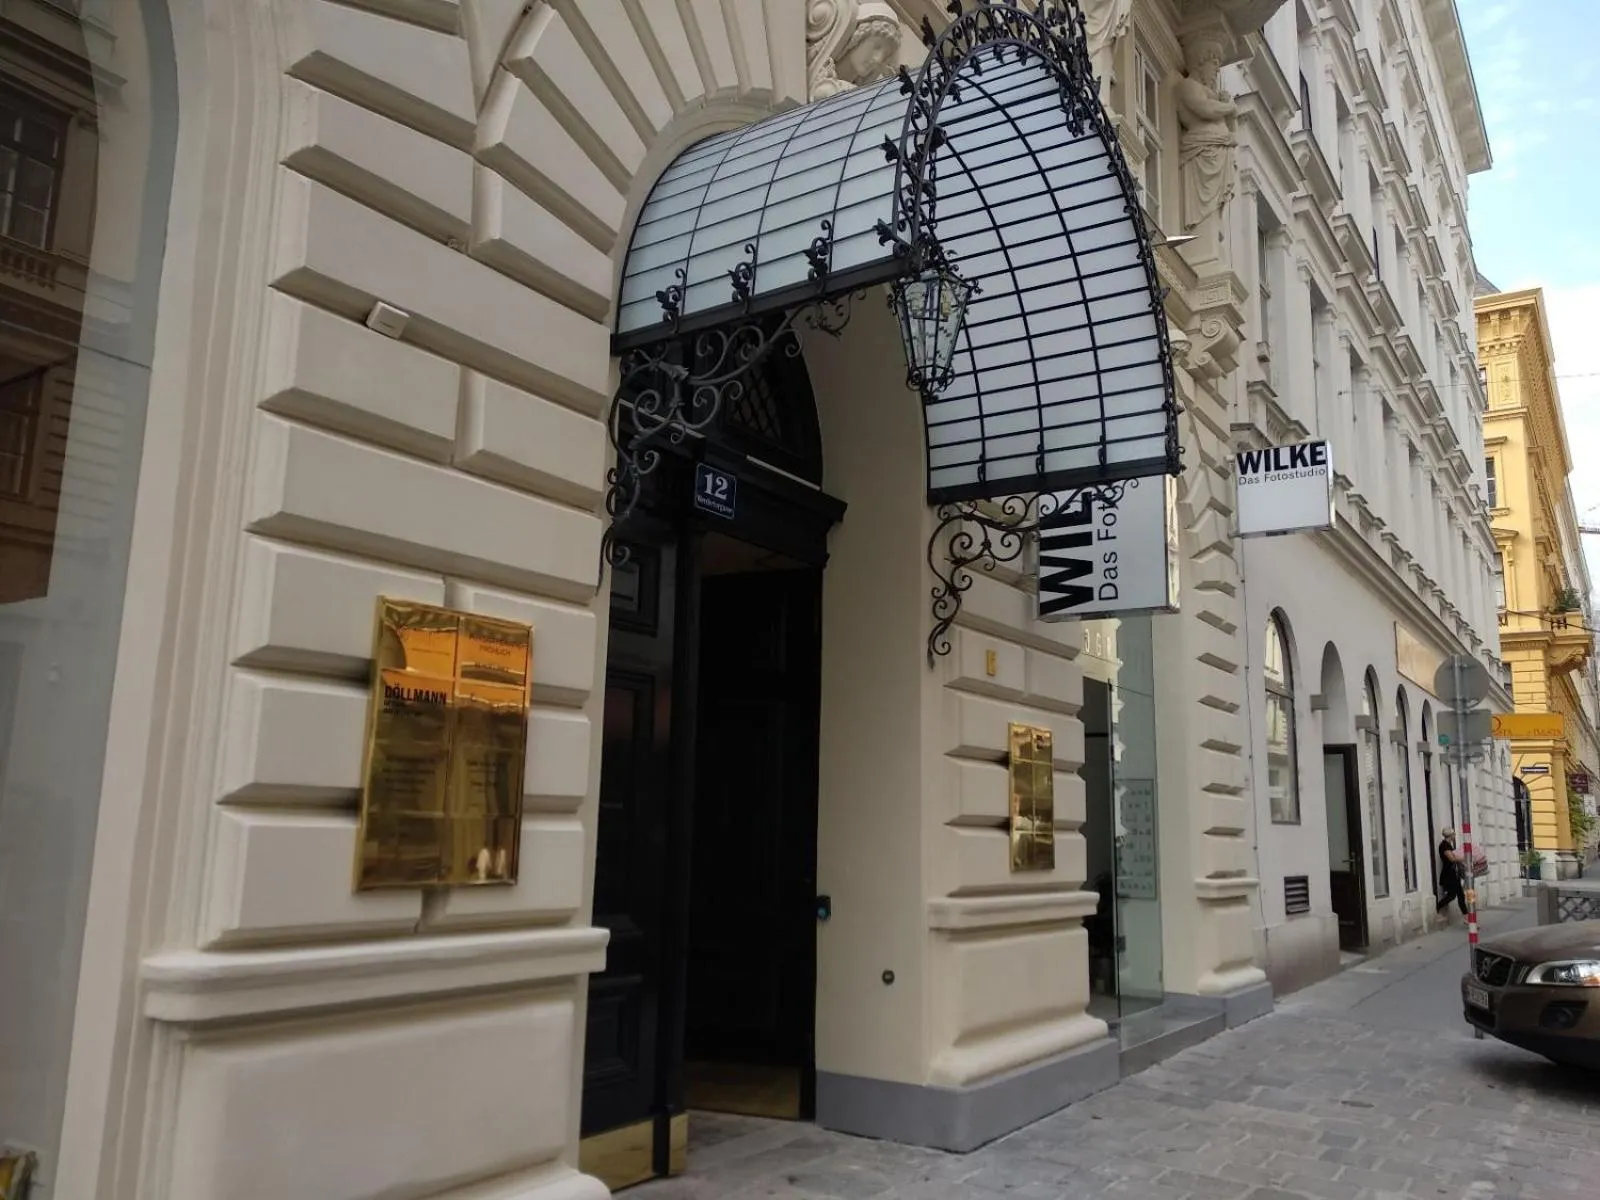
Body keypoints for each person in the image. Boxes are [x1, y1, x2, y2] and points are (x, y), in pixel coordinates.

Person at [1436, 828, 1468, 920]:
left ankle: (1466, 917)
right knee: (1452, 896)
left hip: (1453, 874)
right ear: (1450, 835)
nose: (1455, 836)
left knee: (1460, 895)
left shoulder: (1448, 845)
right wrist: (1464, 858)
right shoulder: (1444, 845)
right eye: (1454, 834)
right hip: (1449, 875)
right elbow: (1452, 859)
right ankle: (1437, 907)